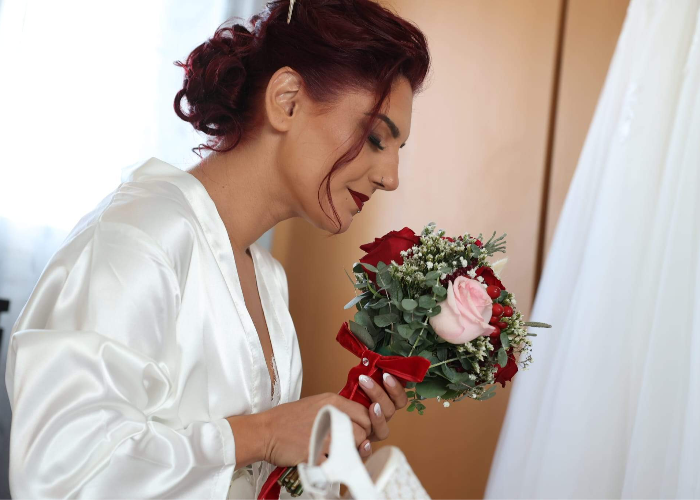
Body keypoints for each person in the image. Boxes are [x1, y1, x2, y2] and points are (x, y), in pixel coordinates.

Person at [4, 0, 431, 498]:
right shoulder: (139, 239)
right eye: (377, 138)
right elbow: (60, 469)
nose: (391, 177)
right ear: (287, 101)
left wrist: (316, 455)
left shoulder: (267, 279)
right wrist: (265, 433)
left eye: (399, 151)